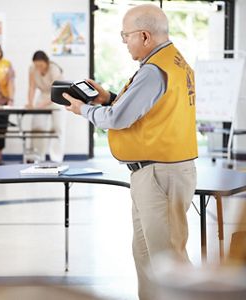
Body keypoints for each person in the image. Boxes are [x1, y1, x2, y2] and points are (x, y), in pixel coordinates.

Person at [63, 5, 197, 300]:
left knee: (166, 259)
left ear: (145, 35)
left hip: (160, 173)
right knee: (145, 253)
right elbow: (145, 110)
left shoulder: (153, 70)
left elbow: (118, 118)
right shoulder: (173, 62)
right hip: (157, 172)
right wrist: (108, 97)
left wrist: (83, 108)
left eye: (126, 35)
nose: (124, 41)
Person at [26, 50, 66, 162]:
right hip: (43, 95)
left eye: (41, 65)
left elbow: (55, 91)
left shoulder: (54, 69)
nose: (39, 68)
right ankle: (37, 156)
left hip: (58, 97)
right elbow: (32, 87)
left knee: (57, 128)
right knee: (37, 127)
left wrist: (41, 105)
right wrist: (30, 102)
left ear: (46, 62)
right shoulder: (32, 69)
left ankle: (56, 158)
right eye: (36, 65)